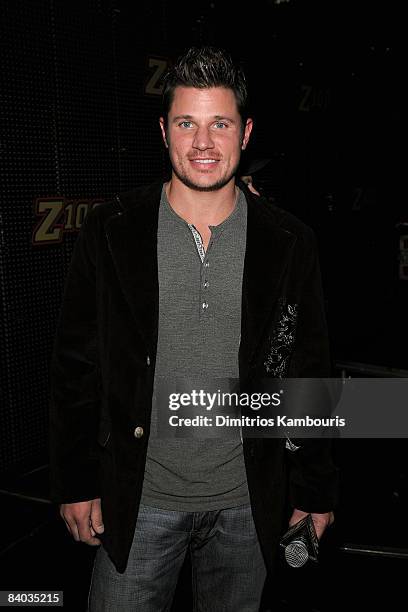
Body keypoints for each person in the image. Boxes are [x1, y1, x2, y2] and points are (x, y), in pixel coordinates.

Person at [49, 46, 338, 611]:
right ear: (164, 131)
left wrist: (314, 489)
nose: (203, 143)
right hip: (140, 500)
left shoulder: (289, 242)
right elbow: (75, 366)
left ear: (246, 132)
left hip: (246, 504)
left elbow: (310, 368)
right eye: (187, 123)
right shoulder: (111, 231)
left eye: (220, 124)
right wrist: (76, 482)